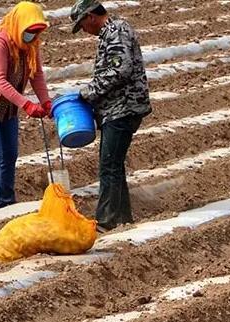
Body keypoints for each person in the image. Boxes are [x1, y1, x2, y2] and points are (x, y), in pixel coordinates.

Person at [70, 0, 152, 233]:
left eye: (82, 25)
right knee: (114, 165)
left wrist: (89, 92)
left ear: (90, 17)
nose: (84, 31)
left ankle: (106, 221)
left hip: (123, 107)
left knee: (109, 165)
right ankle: (123, 218)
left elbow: (120, 69)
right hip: (116, 109)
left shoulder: (116, 31)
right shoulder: (111, 32)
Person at [0, 1, 53, 214]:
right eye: (30, 32)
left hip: (8, 107)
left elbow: (37, 75)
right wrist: (26, 104)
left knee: (11, 154)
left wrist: (45, 102)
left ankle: (6, 201)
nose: (33, 37)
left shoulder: (30, 46)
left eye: (36, 33)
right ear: (19, 25)